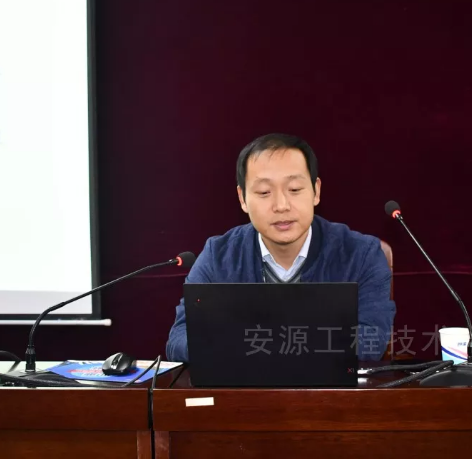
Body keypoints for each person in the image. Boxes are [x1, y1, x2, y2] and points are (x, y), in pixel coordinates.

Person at [166, 133, 396, 362]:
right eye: (264, 192)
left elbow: (371, 340)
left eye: (294, 189)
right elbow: (179, 340)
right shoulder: (218, 256)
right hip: (247, 385)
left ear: (316, 191)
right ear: (242, 198)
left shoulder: (361, 254)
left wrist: (260, 343)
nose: (281, 205)